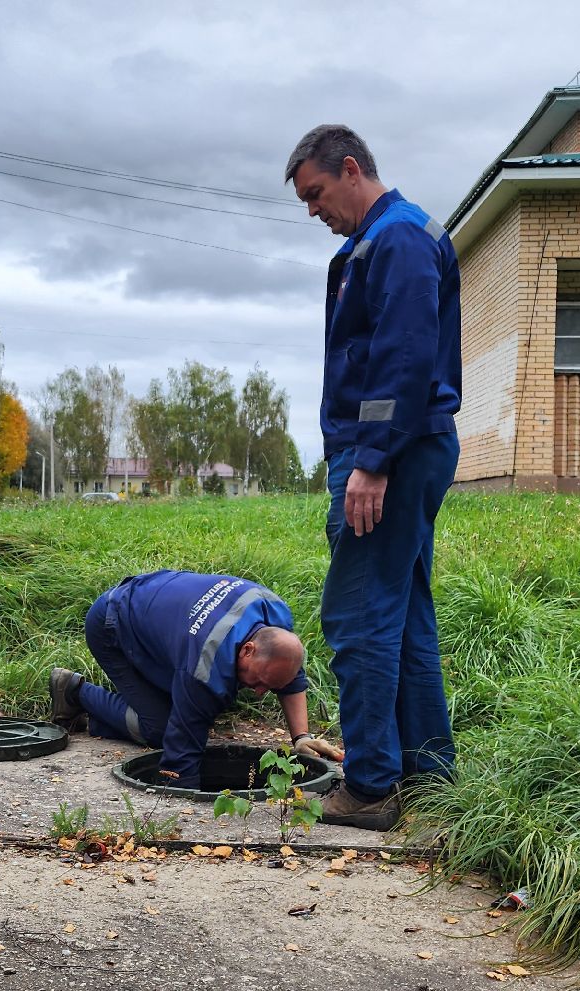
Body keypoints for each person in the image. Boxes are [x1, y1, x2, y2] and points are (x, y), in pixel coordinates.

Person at [284, 124, 461, 831]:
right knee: (404, 613)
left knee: (358, 615)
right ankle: (427, 772)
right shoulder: (378, 242)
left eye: (317, 194)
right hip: (404, 449)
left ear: (351, 168)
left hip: (392, 452)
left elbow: (405, 356)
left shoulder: (398, 240)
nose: (314, 211)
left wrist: (372, 460)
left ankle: (370, 786)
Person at [47, 570, 342, 789]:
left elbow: (287, 673)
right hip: (113, 623)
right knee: (161, 728)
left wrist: (301, 737)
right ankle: (74, 691)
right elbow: (180, 758)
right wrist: (185, 803)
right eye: (260, 681)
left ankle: (105, 718)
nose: (260, 693)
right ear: (247, 650)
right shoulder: (204, 667)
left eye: (269, 686)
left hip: (154, 609)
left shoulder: (274, 616)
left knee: (180, 705)